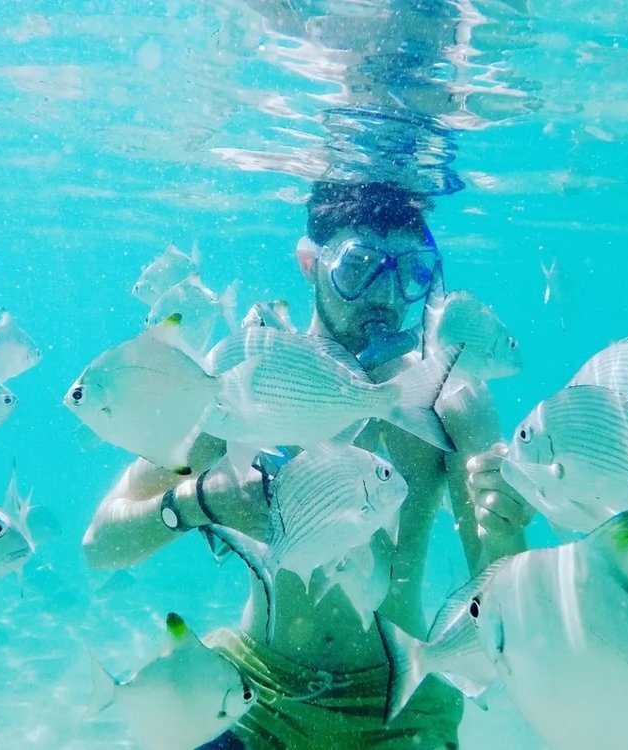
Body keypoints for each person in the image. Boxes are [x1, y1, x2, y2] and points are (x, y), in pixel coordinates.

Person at [82, 180, 533, 749]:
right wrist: (200, 502)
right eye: (359, 265)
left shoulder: (449, 401)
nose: (386, 296)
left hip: (399, 708)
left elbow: (510, 602)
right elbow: (100, 546)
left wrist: (510, 531)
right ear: (309, 263)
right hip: (252, 695)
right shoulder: (246, 383)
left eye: (412, 272)